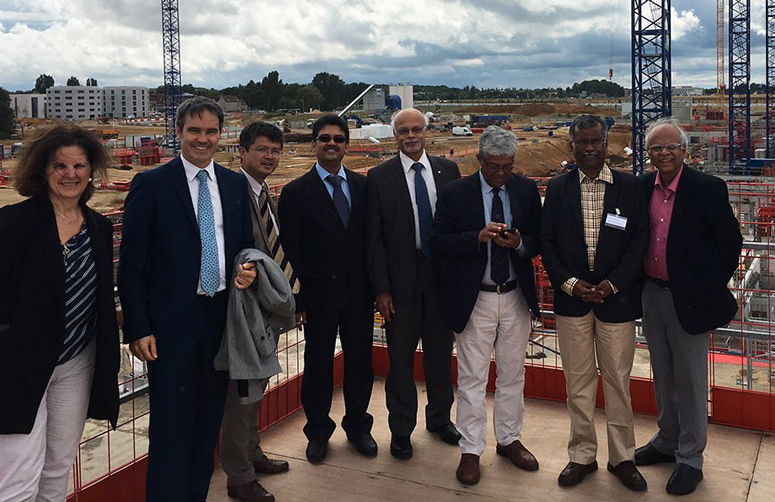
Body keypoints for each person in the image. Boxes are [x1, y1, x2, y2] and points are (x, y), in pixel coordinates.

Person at [118, 96, 257, 502]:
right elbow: (132, 265)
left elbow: (244, 247)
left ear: (221, 135)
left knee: (206, 426)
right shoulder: (151, 185)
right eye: (194, 131)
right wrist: (138, 327)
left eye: (210, 131)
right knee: (170, 429)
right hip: (170, 329)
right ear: (177, 133)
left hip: (219, 322)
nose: (203, 139)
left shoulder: (233, 185)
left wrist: (245, 269)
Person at [0, 125, 120, 501]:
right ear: (41, 170)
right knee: (17, 473)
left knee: (57, 467)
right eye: (60, 166)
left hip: (75, 365)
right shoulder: (13, 224)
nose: (70, 174)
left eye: (79, 166)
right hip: (21, 365)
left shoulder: (99, 227)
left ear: (91, 170)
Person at [540, 114, 648, 491]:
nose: (589, 148)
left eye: (596, 142)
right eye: (582, 142)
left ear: (606, 144)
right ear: (571, 145)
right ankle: (581, 455)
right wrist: (570, 284)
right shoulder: (557, 188)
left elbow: (639, 242)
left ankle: (623, 458)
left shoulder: (630, 188)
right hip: (573, 303)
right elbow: (547, 242)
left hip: (615, 303)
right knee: (579, 383)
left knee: (618, 382)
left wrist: (613, 284)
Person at [635, 118, 742, 496]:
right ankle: (667, 440)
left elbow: (731, 245)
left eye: (670, 147)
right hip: (652, 293)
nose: (663, 154)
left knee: (691, 381)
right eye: (655, 149)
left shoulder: (707, 189)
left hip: (689, 299)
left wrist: (705, 287)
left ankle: (691, 458)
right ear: (648, 155)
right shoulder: (643, 187)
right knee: (662, 375)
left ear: (684, 149)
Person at [432, 126, 542, 486]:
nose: (500, 174)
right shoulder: (455, 194)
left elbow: (541, 237)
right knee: (472, 378)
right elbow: (439, 243)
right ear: (479, 159)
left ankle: (509, 440)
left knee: (513, 374)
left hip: (514, 295)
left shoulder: (525, 189)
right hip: (475, 297)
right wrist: (475, 239)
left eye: (507, 166)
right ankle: (471, 448)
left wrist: (520, 242)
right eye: (493, 166)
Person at [277, 114, 376, 464]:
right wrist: (298, 301)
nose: (331, 144)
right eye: (324, 138)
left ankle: (358, 426)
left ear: (347, 145)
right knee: (318, 366)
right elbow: (290, 250)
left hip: (359, 296)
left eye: (338, 138)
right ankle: (318, 431)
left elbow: (371, 243)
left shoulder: (364, 187)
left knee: (361, 364)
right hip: (318, 299)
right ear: (314, 144)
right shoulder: (295, 192)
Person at [367, 108, 461, 459]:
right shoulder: (380, 177)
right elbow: (374, 239)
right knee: (400, 363)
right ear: (395, 135)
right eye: (403, 131)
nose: (410, 136)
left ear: (427, 131)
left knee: (440, 357)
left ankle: (439, 419)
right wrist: (381, 289)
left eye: (416, 129)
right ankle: (401, 431)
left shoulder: (448, 170)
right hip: (400, 286)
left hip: (440, 281)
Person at [219, 122, 295, 502]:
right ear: (242, 151)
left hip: (264, 311)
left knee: (256, 391)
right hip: (243, 312)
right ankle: (239, 476)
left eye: (276, 150)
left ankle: (251, 453)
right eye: (262, 149)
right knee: (241, 396)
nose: (270, 156)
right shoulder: (232, 192)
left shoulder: (265, 192)